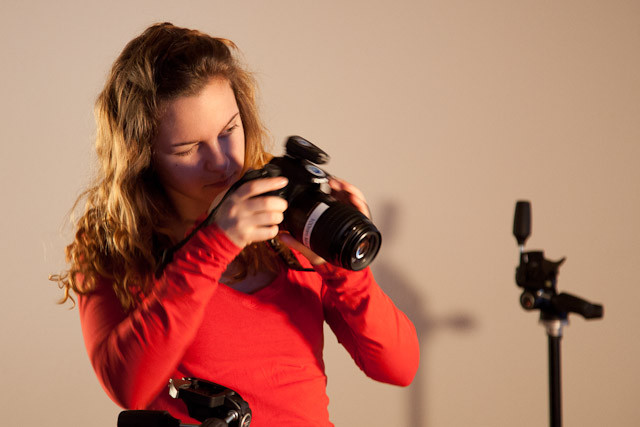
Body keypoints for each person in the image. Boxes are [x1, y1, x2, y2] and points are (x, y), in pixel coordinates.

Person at [53, 22, 419, 426]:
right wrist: (215, 244)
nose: (221, 161)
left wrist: (341, 268)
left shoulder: (285, 215)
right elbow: (128, 386)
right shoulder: (113, 245)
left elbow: (398, 368)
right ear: (142, 155)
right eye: (188, 149)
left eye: (229, 130)